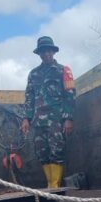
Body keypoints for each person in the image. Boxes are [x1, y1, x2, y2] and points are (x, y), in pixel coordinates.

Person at [22, 36, 76, 188]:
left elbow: (70, 95)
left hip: (56, 119)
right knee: (42, 153)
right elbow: (29, 97)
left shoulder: (63, 70)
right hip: (38, 121)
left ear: (53, 52)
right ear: (39, 53)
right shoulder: (33, 74)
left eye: (48, 51)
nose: (46, 54)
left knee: (57, 150)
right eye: (43, 51)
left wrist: (68, 118)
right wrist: (26, 118)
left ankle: (54, 185)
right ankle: (49, 184)